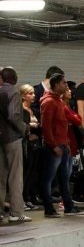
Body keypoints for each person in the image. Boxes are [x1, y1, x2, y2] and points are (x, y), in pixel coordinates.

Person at [40, 73, 84, 217]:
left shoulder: (59, 102)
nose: (66, 85)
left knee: (64, 178)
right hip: (55, 146)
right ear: (55, 85)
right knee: (48, 178)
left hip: (63, 145)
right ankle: (49, 209)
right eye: (63, 83)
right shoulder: (49, 102)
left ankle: (69, 206)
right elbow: (46, 127)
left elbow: (76, 119)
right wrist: (53, 145)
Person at [0, 67, 31, 223]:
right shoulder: (13, 93)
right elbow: (14, 116)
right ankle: (16, 212)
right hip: (12, 139)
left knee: (1, 177)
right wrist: (24, 128)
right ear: (14, 78)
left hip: (0, 139)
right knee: (15, 177)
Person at [20, 84, 43, 209]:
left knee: (33, 171)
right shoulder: (21, 110)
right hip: (27, 145)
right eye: (30, 93)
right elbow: (21, 127)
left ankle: (30, 196)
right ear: (23, 96)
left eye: (33, 93)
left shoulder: (32, 110)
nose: (33, 95)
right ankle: (23, 198)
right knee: (26, 172)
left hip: (35, 145)